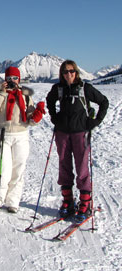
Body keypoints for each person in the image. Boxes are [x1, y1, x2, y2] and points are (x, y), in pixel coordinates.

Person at [46, 60, 109, 222]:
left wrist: (95, 122)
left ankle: (85, 202)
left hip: (81, 133)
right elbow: (49, 101)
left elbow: (104, 102)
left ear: (76, 72)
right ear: (61, 74)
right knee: (64, 165)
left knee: (82, 167)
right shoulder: (58, 89)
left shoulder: (85, 88)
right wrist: (54, 117)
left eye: (71, 71)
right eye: (65, 72)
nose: (69, 74)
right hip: (63, 133)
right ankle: (68, 200)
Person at [0, 66, 45, 213]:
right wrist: (1, 92)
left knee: (18, 170)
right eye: (9, 78)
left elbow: (30, 117)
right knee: (3, 169)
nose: (12, 81)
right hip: (4, 134)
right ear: (5, 80)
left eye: (14, 78)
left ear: (19, 79)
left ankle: (13, 201)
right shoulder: (0, 93)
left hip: (21, 135)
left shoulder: (25, 95)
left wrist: (36, 117)